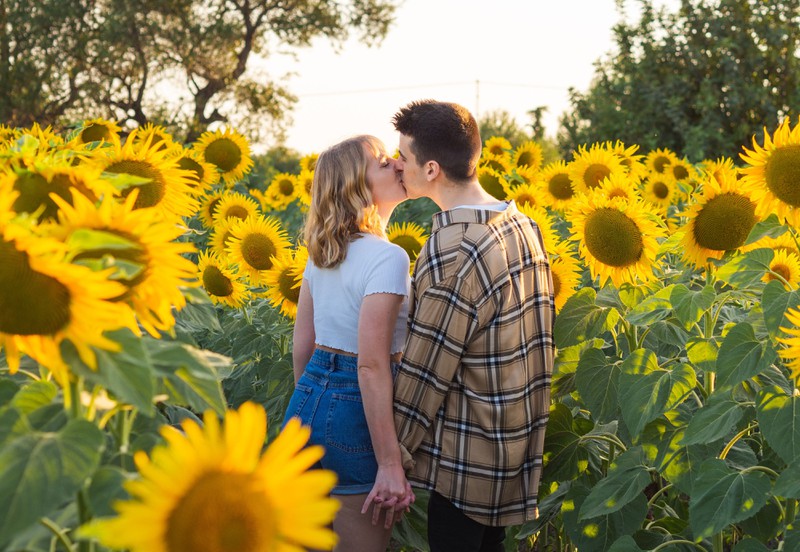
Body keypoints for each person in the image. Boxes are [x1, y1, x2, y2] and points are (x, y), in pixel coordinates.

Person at [388, 100, 555, 552]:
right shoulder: (523, 225)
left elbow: (425, 372)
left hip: (464, 461)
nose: (395, 164)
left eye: (403, 156)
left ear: (432, 169)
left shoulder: (453, 248)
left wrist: (389, 459)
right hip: (512, 449)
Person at [283, 135, 415, 551]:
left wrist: (314, 408)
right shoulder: (387, 257)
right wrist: (390, 464)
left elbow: (302, 345)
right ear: (358, 188)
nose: (397, 163)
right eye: (382, 162)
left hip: (305, 400)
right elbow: (371, 364)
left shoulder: (321, 253)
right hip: (356, 410)